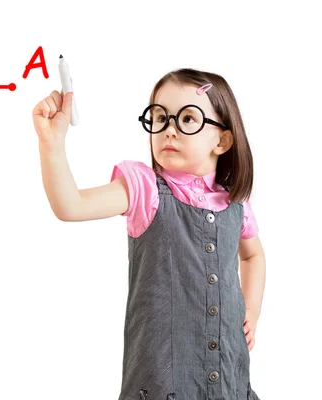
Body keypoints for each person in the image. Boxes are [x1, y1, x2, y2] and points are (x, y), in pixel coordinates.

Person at [32, 68, 265, 400]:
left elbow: (253, 254)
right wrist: (51, 145)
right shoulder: (144, 189)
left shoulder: (235, 204)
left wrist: (251, 310)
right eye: (159, 118)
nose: (168, 130)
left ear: (222, 140)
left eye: (187, 119)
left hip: (229, 376)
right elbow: (71, 206)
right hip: (161, 383)